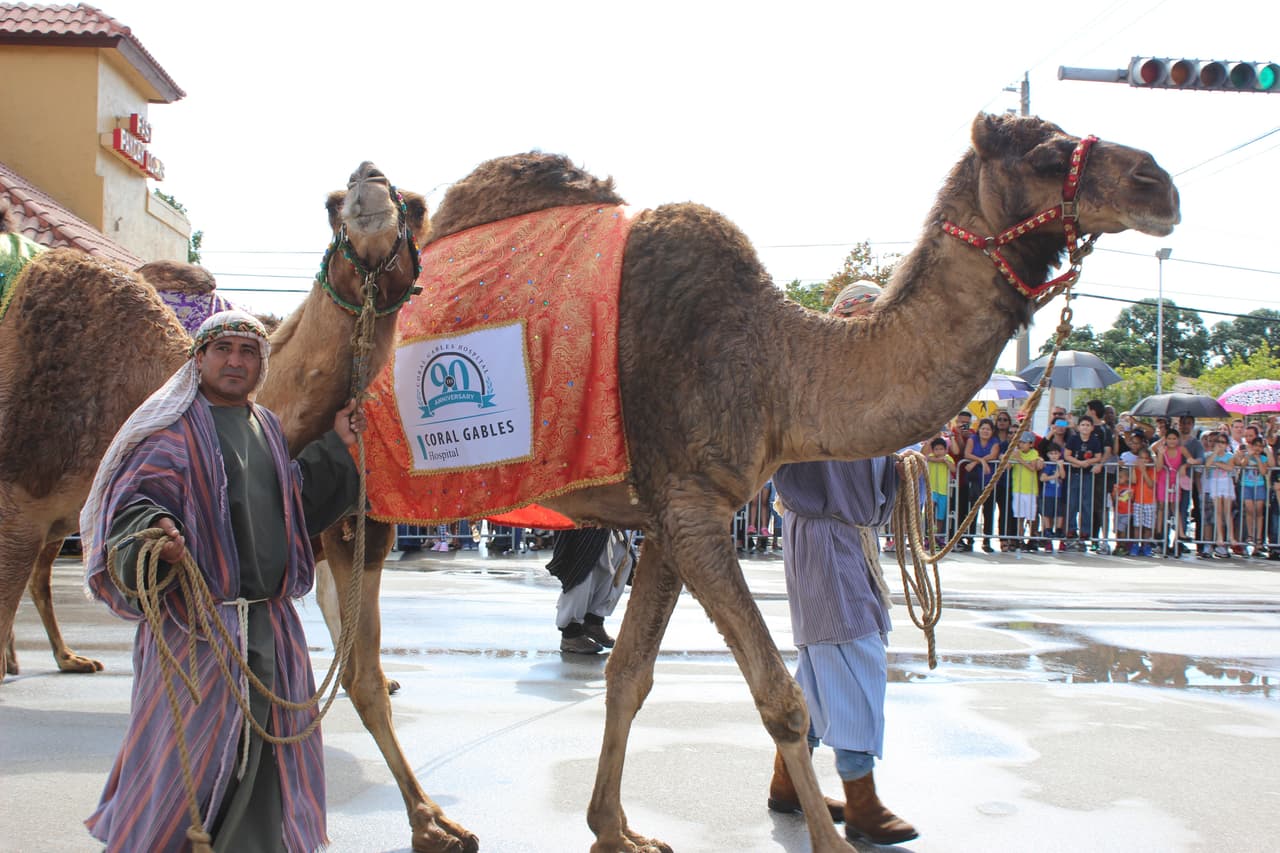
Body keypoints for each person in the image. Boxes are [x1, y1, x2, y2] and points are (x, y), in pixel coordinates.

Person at [81, 311, 364, 853]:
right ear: (200, 359)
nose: (235, 361)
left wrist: (338, 445)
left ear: (261, 365)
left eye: (248, 351)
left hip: (271, 628)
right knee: (187, 763)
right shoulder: (169, 433)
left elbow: (291, 504)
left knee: (269, 756)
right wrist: (154, 534)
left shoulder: (267, 427)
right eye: (223, 349)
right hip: (197, 630)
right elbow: (134, 506)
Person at [765, 281, 917, 846]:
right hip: (824, 534)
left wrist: (901, 463)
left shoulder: (871, 392)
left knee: (820, 667)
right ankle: (862, 800)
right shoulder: (811, 386)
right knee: (855, 656)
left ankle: (787, 782)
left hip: (848, 538)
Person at [546, 527, 634, 653]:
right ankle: (571, 633)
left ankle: (593, 621)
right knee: (582, 567)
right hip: (583, 522)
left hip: (610, 522)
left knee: (622, 556)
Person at [1063, 414, 1109, 552]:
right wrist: (1078, 462)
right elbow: (1067, 455)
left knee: (1086, 504)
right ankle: (1071, 529)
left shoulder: (1094, 440)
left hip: (1088, 475)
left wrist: (1088, 462)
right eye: (1082, 425)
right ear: (1078, 427)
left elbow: (1098, 456)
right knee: (1072, 503)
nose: (1085, 427)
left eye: (1088, 425)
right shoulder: (1073, 439)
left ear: (1092, 427)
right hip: (1074, 474)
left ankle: (1085, 531)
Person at [961, 417, 1001, 553]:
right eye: (983, 428)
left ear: (992, 431)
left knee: (989, 511)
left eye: (988, 429)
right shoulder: (973, 439)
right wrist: (981, 461)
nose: (985, 431)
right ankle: (969, 539)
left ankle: (987, 540)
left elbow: (993, 455)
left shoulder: (994, 441)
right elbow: (967, 453)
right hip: (975, 479)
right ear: (979, 429)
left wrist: (977, 462)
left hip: (989, 479)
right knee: (972, 510)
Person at [1009, 432, 1041, 550]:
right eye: (1020, 442)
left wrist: (1019, 459)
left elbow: (1032, 467)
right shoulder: (1016, 453)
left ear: (1031, 444)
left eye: (1024, 442)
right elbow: (1008, 466)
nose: (1021, 445)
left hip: (1030, 490)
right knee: (1019, 516)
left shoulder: (1033, 453)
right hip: (1018, 489)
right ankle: (1020, 539)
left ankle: (1032, 539)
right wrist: (1008, 457)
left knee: (1031, 517)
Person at [1238, 437, 1270, 556]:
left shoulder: (1263, 458)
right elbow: (1242, 465)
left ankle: (1259, 538)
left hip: (1259, 485)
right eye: (1256, 445)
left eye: (1260, 446)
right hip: (1247, 485)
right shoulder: (1247, 456)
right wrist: (1248, 455)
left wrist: (1258, 458)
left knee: (1259, 511)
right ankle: (1250, 535)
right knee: (1249, 510)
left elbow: (1263, 472)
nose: (1257, 448)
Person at [926, 437, 955, 549]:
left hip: (943, 490)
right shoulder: (930, 457)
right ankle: (929, 536)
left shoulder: (948, 458)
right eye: (936, 449)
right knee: (930, 511)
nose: (939, 451)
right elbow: (928, 458)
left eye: (941, 449)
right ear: (933, 450)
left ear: (945, 449)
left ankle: (938, 537)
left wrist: (946, 461)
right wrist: (939, 459)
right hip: (932, 489)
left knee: (940, 516)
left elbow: (953, 469)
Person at [1039, 445, 1067, 552]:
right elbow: (1042, 478)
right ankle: (1048, 529)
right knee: (1047, 513)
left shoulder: (1059, 464)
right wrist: (1054, 476)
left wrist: (1061, 466)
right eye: (1051, 453)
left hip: (1058, 494)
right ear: (1048, 455)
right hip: (1048, 494)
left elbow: (1063, 476)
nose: (1054, 456)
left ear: (1060, 454)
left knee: (1059, 513)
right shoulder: (1048, 465)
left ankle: (1059, 529)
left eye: (1056, 453)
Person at [1131, 447, 1158, 556]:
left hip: (1150, 501)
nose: (1144, 461)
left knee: (1148, 526)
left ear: (1149, 460)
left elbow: (1151, 484)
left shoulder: (1152, 470)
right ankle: (1135, 545)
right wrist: (1134, 468)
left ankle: (1146, 545)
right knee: (1137, 525)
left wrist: (1143, 471)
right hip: (1138, 500)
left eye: (1146, 458)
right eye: (1141, 458)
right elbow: (1133, 481)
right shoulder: (1136, 469)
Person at [1111, 468, 1134, 556]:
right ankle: (1118, 545)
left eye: (1121, 477)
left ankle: (1123, 546)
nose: (1118, 479)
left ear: (1127, 478)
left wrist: (1131, 495)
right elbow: (1113, 498)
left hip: (1127, 512)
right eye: (1118, 477)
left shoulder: (1130, 487)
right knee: (1117, 529)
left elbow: (1132, 499)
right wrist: (1115, 492)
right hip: (1118, 511)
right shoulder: (1117, 487)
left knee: (1122, 529)